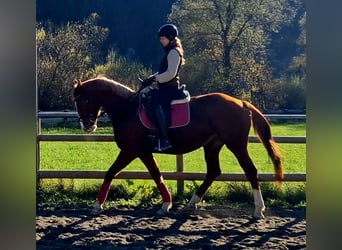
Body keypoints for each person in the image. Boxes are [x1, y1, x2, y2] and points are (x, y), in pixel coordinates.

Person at [142, 23, 186, 151]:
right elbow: (163, 72)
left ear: (171, 38)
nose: (161, 41)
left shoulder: (173, 52)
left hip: (170, 89)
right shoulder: (169, 51)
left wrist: (154, 79)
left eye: (163, 38)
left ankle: (165, 138)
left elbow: (170, 74)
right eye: (160, 38)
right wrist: (150, 78)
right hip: (164, 88)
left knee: (156, 104)